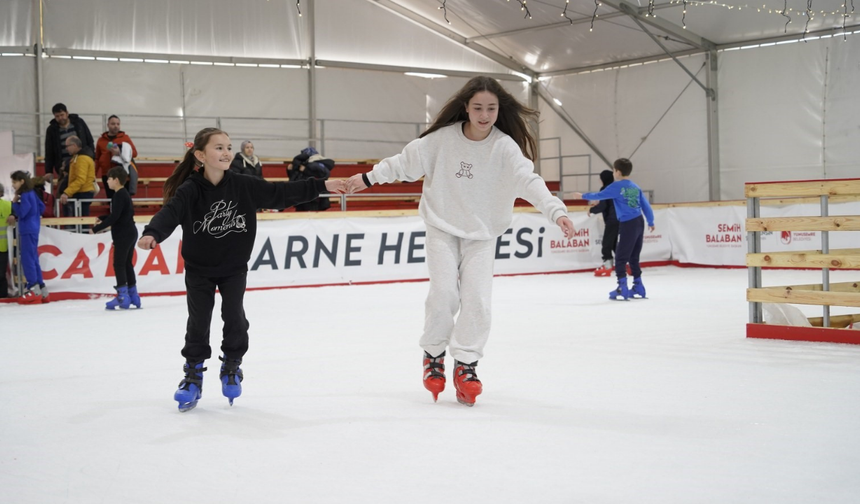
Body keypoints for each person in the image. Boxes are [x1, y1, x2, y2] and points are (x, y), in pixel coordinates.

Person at [346, 76, 576, 407]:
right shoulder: (440, 140)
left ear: (499, 110)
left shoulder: (504, 148)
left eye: (491, 108)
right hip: (442, 226)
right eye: (478, 107)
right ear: (466, 107)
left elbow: (529, 181)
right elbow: (403, 164)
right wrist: (366, 178)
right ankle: (434, 354)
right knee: (443, 294)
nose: (485, 115)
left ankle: (466, 363)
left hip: (482, 234)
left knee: (478, 301)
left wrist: (557, 212)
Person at [137, 127, 346, 412]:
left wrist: (322, 185)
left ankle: (232, 365)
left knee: (234, 316)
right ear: (200, 155)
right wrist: (153, 232)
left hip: (234, 268)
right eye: (219, 148)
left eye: (228, 147)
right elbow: (170, 212)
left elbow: (280, 192)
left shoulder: (244, 185)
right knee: (198, 322)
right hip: (199, 269)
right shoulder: (190, 189)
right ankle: (193, 375)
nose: (226, 152)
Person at [572, 158, 655, 301]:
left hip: (628, 224)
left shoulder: (617, 187)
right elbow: (645, 205)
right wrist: (651, 221)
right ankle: (638, 286)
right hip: (639, 222)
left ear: (617, 172)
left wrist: (582, 196)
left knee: (621, 257)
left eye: (613, 170)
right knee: (634, 256)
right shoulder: (635, 187)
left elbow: (599, 196)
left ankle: (622, 287)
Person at [90, 166, 140, 310]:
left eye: (109, 179)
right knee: (126, 264)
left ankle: (123, 296)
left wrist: (96, 228)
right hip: (130, 231)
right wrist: (102, 218)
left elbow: (115, 217)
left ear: (116, 180)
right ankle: (134, 295)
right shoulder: (124, 194)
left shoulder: (118, 195)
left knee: (119, 264)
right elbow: (119, 215)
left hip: (123, 234)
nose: (107, 182)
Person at [9, 171, 49, 304]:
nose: (13, 185)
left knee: (27, 258)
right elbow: (42, 207)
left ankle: (33, 288)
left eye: (14, 182)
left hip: (26, 229)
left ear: (22, 181)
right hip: (34, 228)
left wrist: (15, 203)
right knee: (34, 258)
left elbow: (22, 212)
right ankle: (42, 289)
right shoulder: (32, 193)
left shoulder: (25, 195)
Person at [44, 103, 94, 198]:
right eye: (57, 116)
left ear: (67, 113)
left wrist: (92, 157)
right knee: (63, 190)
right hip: (64, 166)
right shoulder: (51, 130)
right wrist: (48, 170)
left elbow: (89, 141)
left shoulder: (79, 123)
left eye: (62, 115)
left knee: (82, 188)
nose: (60, 118)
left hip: (81, 161)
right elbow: (49, 151)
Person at [95, 115, 138, 198]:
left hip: (122, 174)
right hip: (107, 174)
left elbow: (135, 153)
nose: (116, 126)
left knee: (123, 199)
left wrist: (120, 152)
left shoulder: (125, 138)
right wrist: (94, 174)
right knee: (111, 199)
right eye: (113, 124)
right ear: (108, 125)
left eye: (118, 124)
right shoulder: (101, 140)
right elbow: (97, 158)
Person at [588, 170, 619, 277]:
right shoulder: (616, 188)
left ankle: (607, 267)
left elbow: (603, 206)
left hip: (612, 220)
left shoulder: (605, 189)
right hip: (620, 219)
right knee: (614, 244)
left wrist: (591, 210)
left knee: (606, 245)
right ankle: (626, 265)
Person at [60, 135, 96, 218]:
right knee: (81, 221)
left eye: (67, 146)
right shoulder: (80, 157)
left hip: (81, 194)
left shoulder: (81, 159)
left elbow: (80, 179)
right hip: (81, 193)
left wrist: (67, 192)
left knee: (80, 221)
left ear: (74, 145)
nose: (66, 149)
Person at [289, 147, 334, 211]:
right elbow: (295, 178)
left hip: (313, 196)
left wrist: (306, 170)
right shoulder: (306, 164)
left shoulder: (312, 165)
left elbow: (322, 175)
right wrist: (290, 170)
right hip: (306, 195)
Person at [0, 183, 11, 298]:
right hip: (4, 246)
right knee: (1, 274)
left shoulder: (8, 205)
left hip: (3, 246)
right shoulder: (8, 205)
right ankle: (3, 295)